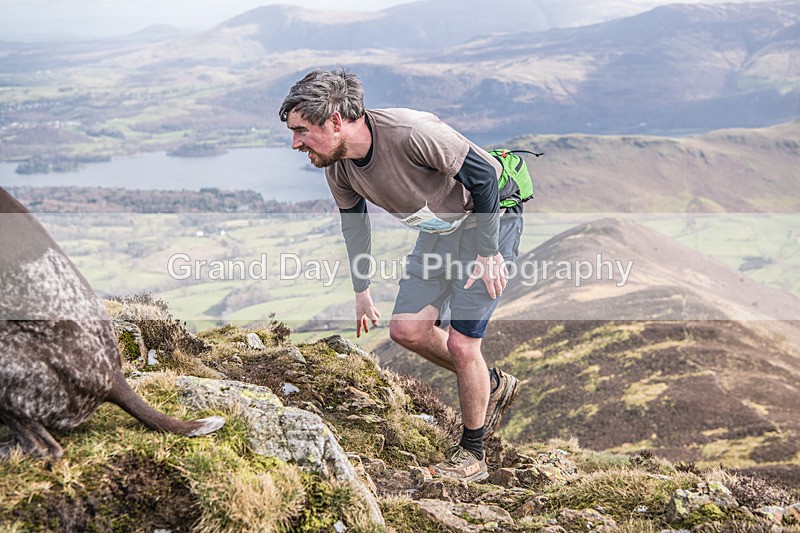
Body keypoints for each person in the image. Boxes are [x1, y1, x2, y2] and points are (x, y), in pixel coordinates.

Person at [279, 67, 522, 483]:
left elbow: (484, 176)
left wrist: (487, 251)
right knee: (407, 330)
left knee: (464, 346)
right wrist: (362, 291)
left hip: (488, 221)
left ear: (335, 121)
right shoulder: (338, 167)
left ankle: (474, 455)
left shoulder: (412, 132)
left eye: (302, 130)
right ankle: (492, 384)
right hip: (441, 231)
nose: (295, 142)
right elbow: (354, 225)